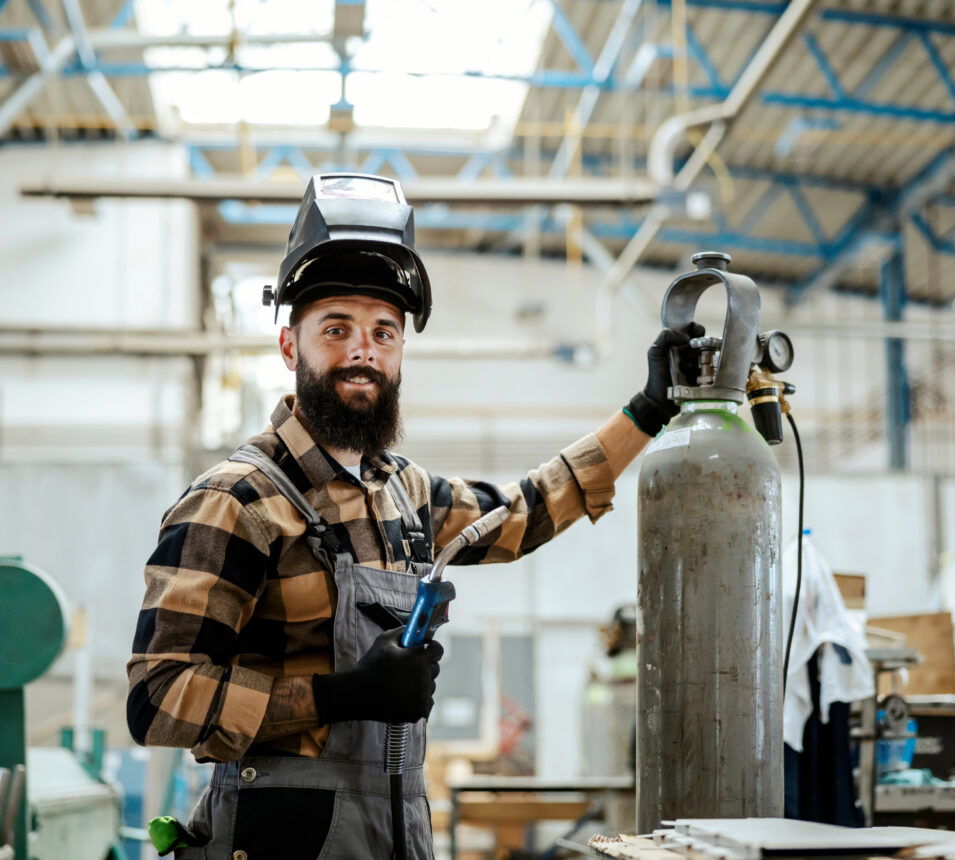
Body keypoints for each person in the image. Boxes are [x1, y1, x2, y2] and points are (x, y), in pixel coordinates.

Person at [126, 174, 700, 860]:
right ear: (290, 347)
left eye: (383, 332)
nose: (361, 350)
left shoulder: (404, 494)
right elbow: (157, 698)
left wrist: (646, 412)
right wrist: (339, 696)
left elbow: (522, 513)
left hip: (394, 834)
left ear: (400, 352)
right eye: (335, 329)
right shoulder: (237, 502)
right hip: (274, 836)